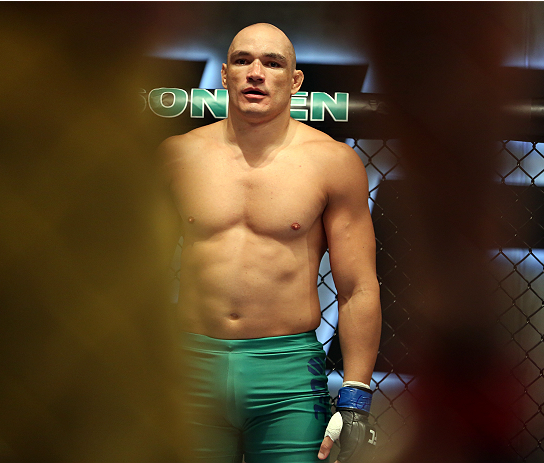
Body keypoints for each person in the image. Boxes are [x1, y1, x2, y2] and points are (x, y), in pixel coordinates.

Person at [158, 23, 382, 463]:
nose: (255, 73)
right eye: (243, 61)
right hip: (190, 361)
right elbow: (134, 273)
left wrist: (355, 398)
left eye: (272, 63)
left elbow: (358, 286)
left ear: (294, 81)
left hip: (288, 373)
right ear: (224, 74)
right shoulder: (177, 156)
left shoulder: (333, 163)